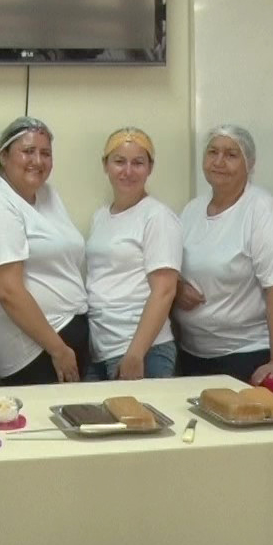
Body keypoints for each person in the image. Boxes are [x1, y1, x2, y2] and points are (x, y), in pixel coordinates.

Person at [0, 117, 90, 385]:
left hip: (64, 340)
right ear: (3, 156)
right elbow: (8, 291)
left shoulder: (48, 195)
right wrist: (58, 348)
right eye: (28, 151)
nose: (38, 161)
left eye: (45, 153)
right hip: (34, 350)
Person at [174, 125, 273, 384]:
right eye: (212, 152)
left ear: (249, 163)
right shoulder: (192, 210)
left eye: (231, 155)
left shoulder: (263, 212)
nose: (219, 162)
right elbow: (176, 268)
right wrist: (177, 288)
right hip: (195, 354)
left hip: (248, 354)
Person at [84, 128, 183, 381]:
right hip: (101, 349)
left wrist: (135, 354)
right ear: (105, 165)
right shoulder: (101, 216)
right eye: (119, 161)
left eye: (138, 163)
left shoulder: (157, 217)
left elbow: (164, 290)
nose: (128, 171)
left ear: (150, 168)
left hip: (141, 352)